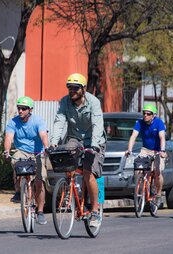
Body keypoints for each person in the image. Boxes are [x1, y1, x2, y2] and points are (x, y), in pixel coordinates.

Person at [49, 73, 106, 227]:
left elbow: (97, 124)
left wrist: (94, 145)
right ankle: (69, 190)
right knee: (66, 160)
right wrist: (54, 142)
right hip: (74, 138)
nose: (72, 90)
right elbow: (59, 122)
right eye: (69, 87)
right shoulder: (65, 102)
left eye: (75, 88)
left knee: (88, 173)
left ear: (83, 89)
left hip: (94, 140)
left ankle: (95, 211)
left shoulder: (93, 102)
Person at [4, 96, 49, 225]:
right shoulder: (13, 122)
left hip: (37, 152)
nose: (21, 111)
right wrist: (7, 150)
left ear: (30, 110)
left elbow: (43, 135)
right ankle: (18, 191)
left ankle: (40, 212)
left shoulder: (37, 121)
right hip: (22, 151)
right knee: (16, 162)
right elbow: (8, 137)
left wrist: (46, 147)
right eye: (19, 108)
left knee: (40, 181)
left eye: (24, 109)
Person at [125, 104, 167, 208]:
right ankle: (143, 188)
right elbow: (133, 136)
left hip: (157, 151)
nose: (146, 115)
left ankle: (158, 193)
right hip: (145, 150)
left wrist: (162, 151)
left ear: (154, 115)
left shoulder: (159, 123)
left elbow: (162, 137)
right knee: (139, 169)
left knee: (158, 172)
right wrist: (129, 149)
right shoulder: (139, 123)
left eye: (148, 114)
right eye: (144, 113)